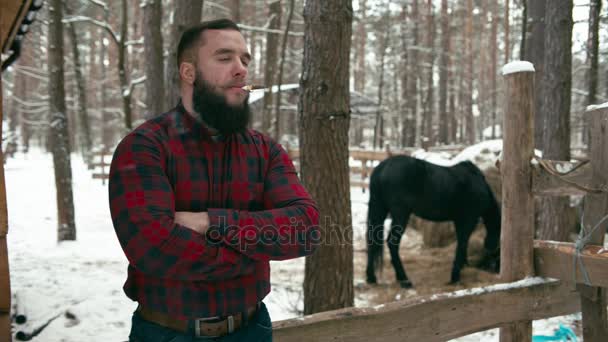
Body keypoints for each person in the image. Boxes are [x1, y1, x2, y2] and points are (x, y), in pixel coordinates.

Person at [109, 18, 320, 342]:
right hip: (168, 333)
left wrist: (211, 222)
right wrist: (254, 253)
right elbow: (152, 249)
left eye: (245, 60)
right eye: (225, 58)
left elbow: (306, 228)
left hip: (252, 330)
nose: (241, 70)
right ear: (189, 72)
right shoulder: (145, 147)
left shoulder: (265, 151)